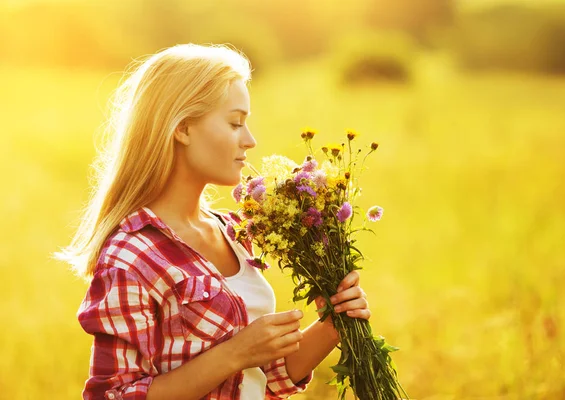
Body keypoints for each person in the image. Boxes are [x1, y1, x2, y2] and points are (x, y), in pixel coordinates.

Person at [58, 43, 371, 400]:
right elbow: (113, 395)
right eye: (235, 122)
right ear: (183, 129)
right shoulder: (132, 256)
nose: (250, 140)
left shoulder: (234, 232)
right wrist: (236, 352)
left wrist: (335, 323)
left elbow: (261, 379)